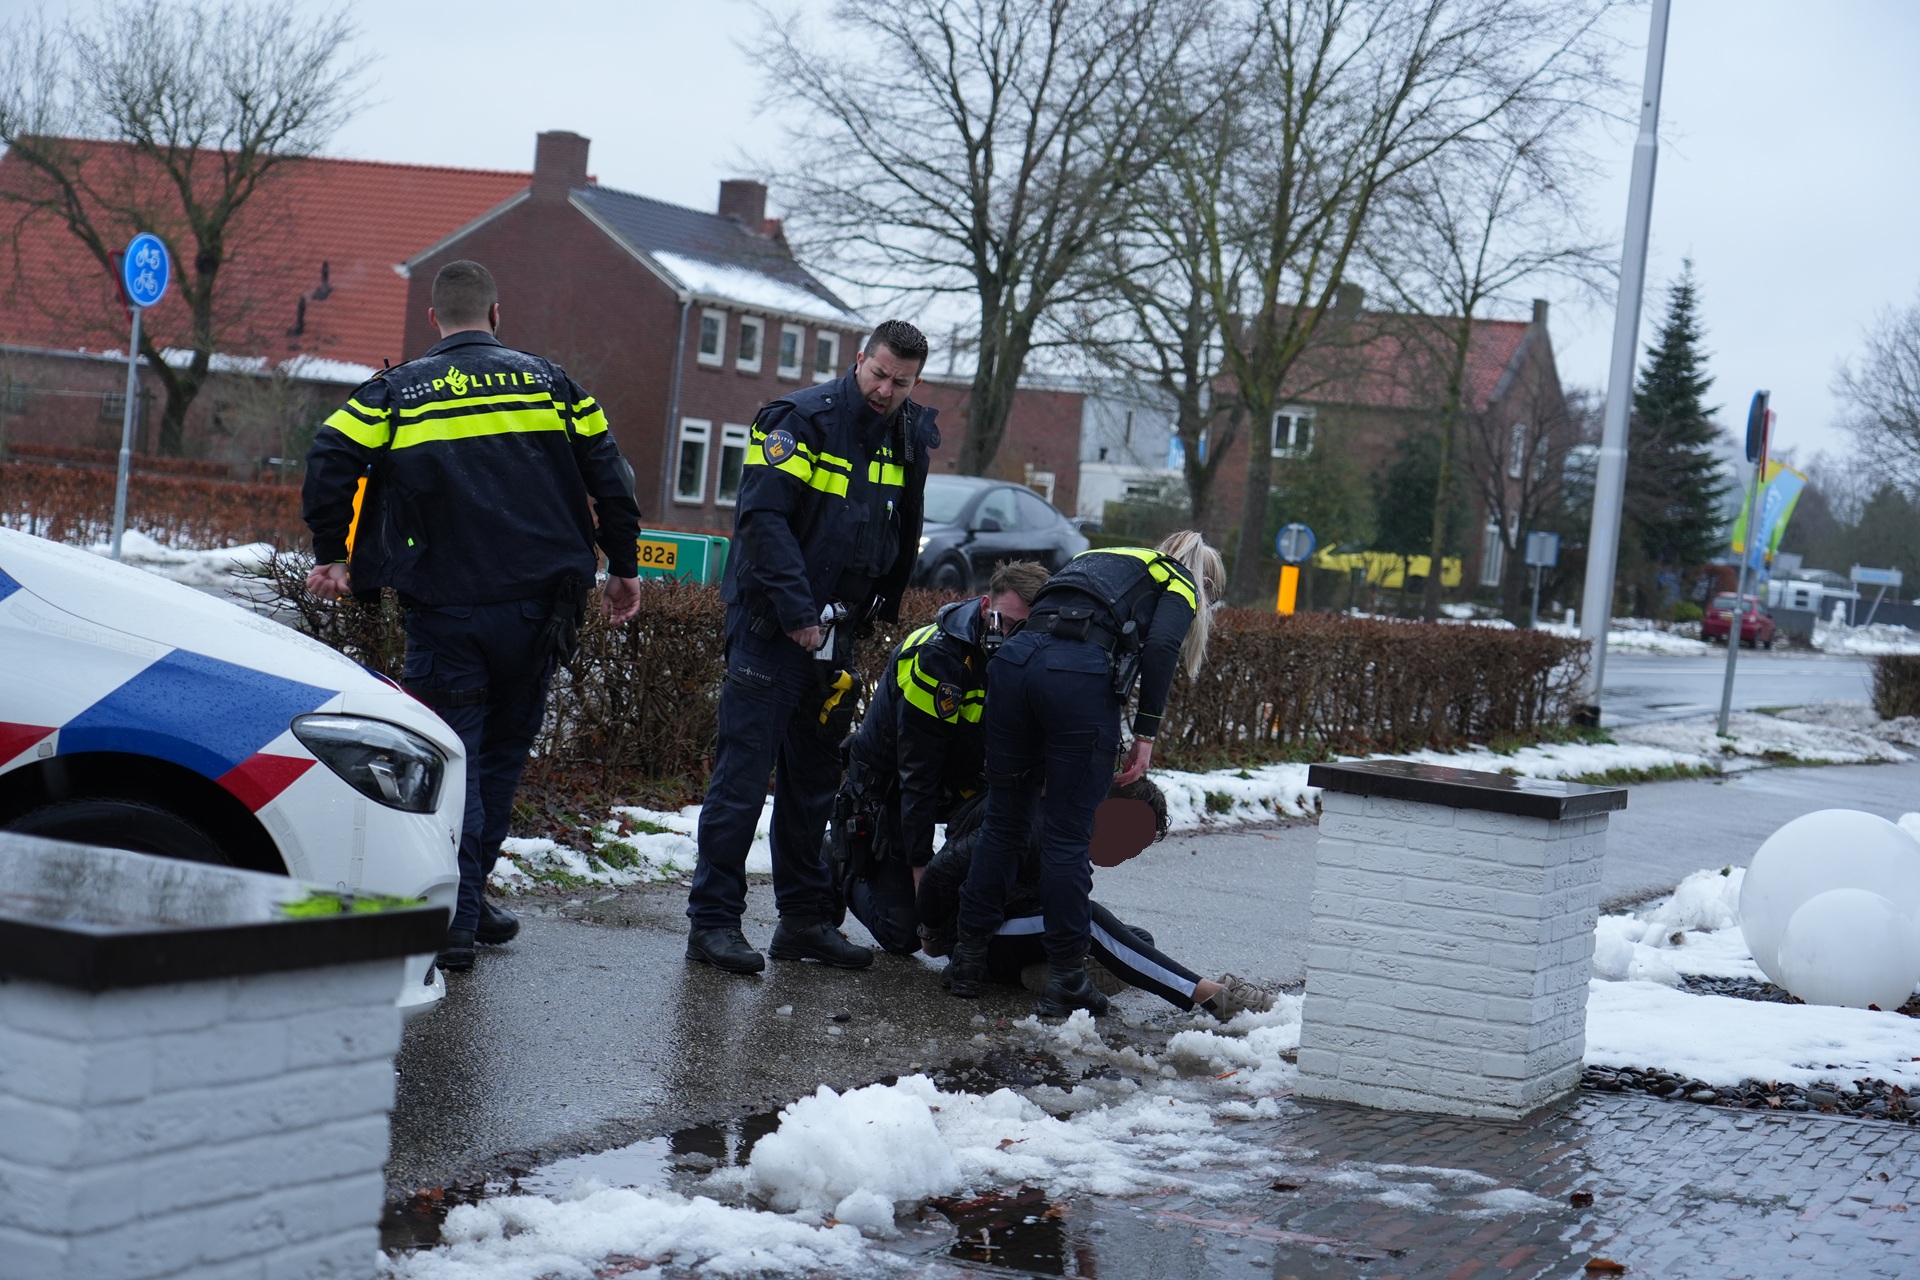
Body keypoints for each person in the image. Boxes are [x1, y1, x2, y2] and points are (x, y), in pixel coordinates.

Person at [302, 259, 642, 973]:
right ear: (496, 314)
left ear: (433, 321)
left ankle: (455, 920)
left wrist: (332, 550)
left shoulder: (399, 390)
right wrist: (624, 565)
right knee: (500, 762)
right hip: (539, 615)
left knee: (454, 760)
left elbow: (331, 450)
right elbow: (611, 472)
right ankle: (470, 902)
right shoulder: (553, 384)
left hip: (448, 612)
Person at [686, 320, 938, 975]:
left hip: (836, 637)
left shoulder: (906, 436)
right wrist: (797, 611)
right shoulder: (800, 421)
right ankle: (713, 923)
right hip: (772, 632)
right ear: (860, 360)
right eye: (878, 373)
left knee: (814, 787)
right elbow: (763, 522)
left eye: (900, 382)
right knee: (741, 784)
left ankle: (803, 921)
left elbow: (898, 525)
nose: (885, 389)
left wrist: (873, 608)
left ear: (916, 383)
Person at [948, 531, 1226, 1016]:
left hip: (1013, 666)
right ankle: (1067, 977)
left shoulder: (1098, 558)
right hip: (1075, 679)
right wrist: (1146, 735)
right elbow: (1161, 647)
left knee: (1005, 823)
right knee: (1066, 839)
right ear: (1203, 579)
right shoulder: (1176, 577)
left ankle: (967, 960)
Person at [835, 559, 1052, 954]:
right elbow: (917, 772)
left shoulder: (1030, 654)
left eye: (1025, 628)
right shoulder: (938, 657)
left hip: (963, 786)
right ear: (987, 606)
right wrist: (922, 869)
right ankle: (839, 862)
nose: (1012, 637)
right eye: (1005, 624)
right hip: (892, 791)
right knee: (905, 933)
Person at [916, 781, 1275, 1019]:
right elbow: (940, 873)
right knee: (1085, 920)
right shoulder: (1036, 823)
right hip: (975, 939)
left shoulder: (1071, 826)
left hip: (1014, 926)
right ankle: (1206, 993)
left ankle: (1043, 975)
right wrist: (932, 936)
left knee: (1137, 938)